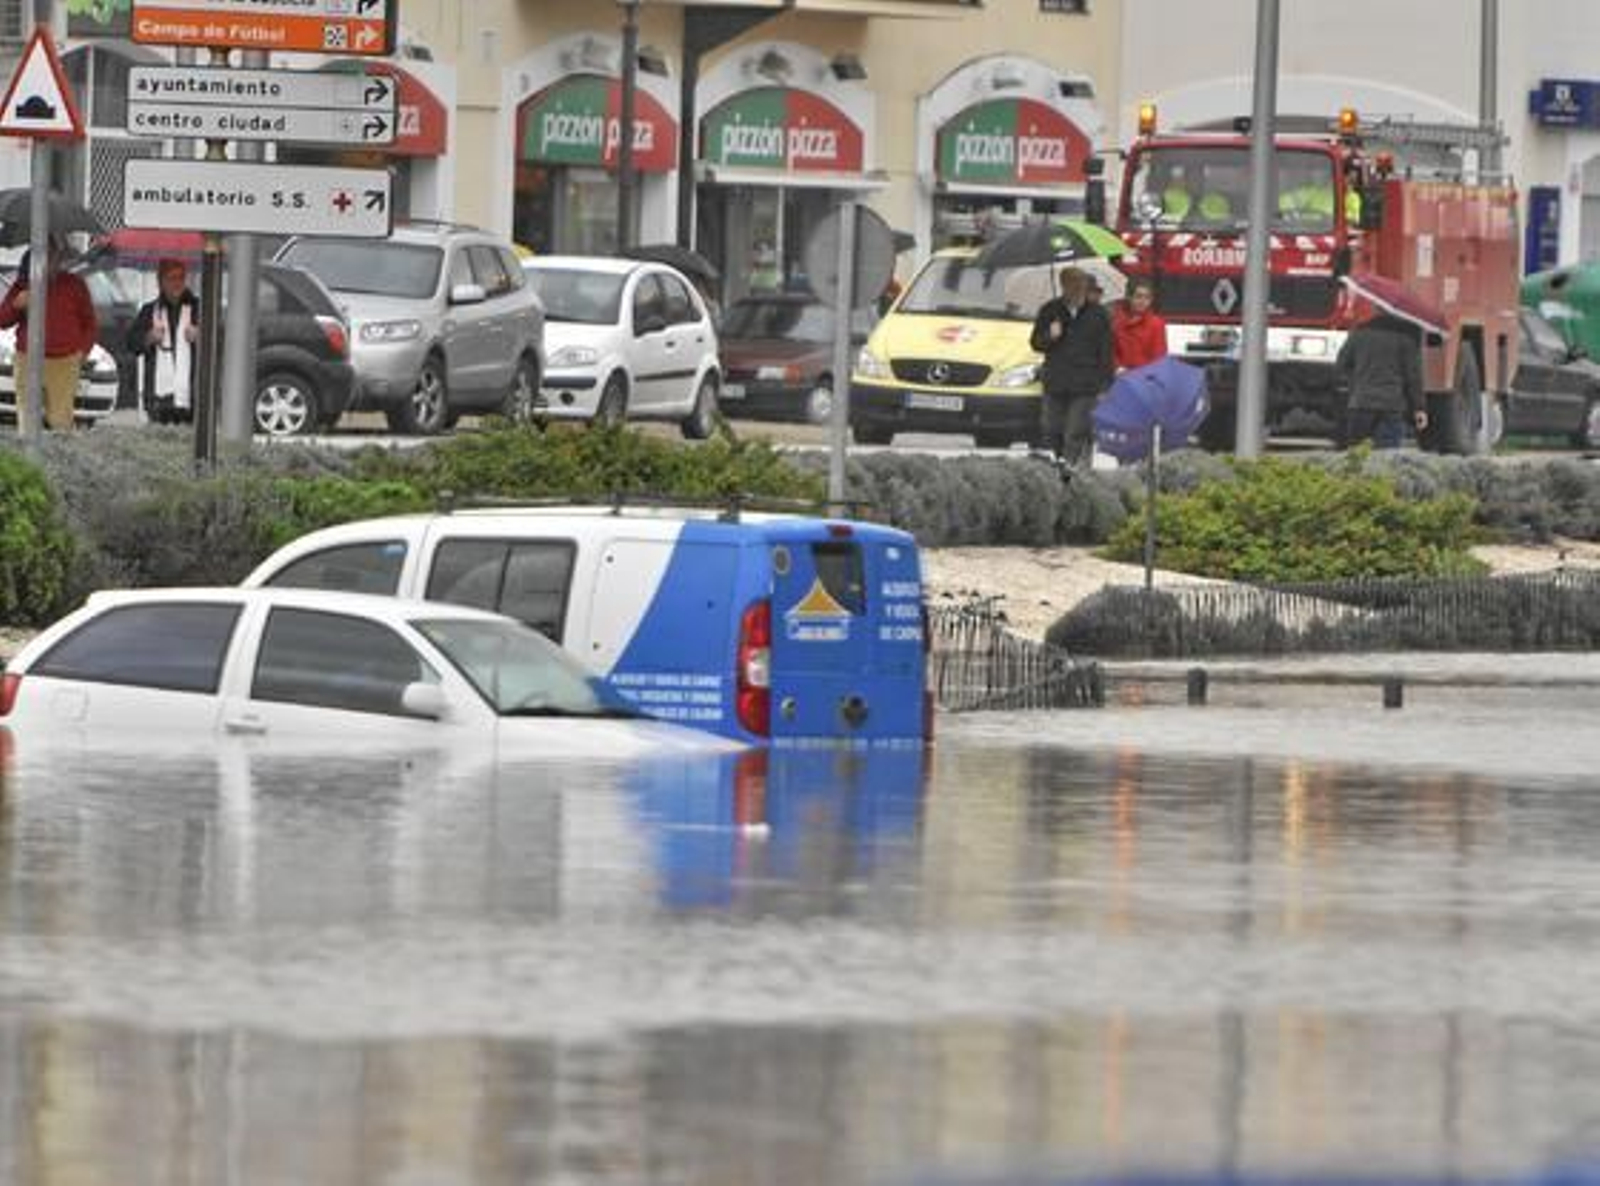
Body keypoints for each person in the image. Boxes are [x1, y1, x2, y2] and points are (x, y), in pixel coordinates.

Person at [0, 238, 97, 434]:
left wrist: (82, 353)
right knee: (27, 422)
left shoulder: (74, 284)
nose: (49, 261)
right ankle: (29, 461)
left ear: (58, 259)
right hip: (28, 359)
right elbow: (2, 320)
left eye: (52, 256)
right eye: (43, 256)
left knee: (60, 422)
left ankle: (61, 461)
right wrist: (16, 306)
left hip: (65, 361)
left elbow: (90, 323)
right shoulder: (23, 284)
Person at [1030, 266, 1113, 467]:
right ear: (1063, 286)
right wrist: (1051, 336)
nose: (1077, 289)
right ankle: (1059, 461)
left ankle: (1069, 470)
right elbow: (1036, 343)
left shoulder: (1099, 314)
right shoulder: (1050, 310)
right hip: (1056, 381)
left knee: (1075, 430)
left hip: (1085, 384)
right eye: (1071, 285)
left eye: (1081, 285)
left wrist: (1105, 384)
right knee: (1052, 428)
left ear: (1086, 286)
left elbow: (1106, 351)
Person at [1335, 311, 1428, 449]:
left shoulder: (1358, 334)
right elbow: (1413, 378)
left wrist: (1355, 383)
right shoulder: (1405, 338)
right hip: (1392, 406)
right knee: (1387, 456)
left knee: (1357, 454)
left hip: (1361, 403)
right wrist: (1419, 408)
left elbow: (1341, 365)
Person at [127, 258, 200, 425]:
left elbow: (219, 342)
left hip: (191, 396)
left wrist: (201, 336)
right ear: (160, 282)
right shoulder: (149, 310)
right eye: (171, 278)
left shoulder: (198, 309)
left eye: (181, 278)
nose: (177, 283)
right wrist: (149, 337)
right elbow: (131, 343)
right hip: (158, 399)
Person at [1112, 277, 1168, 372]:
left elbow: (1159, 357)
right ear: (1129, 297)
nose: (1143, 301)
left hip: (1146, 379)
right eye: (1138, 296)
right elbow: (1111, 352)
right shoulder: (1116, 323)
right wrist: (1118, 368)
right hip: (1120, 378)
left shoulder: (1156, 324)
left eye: (1147, 297)